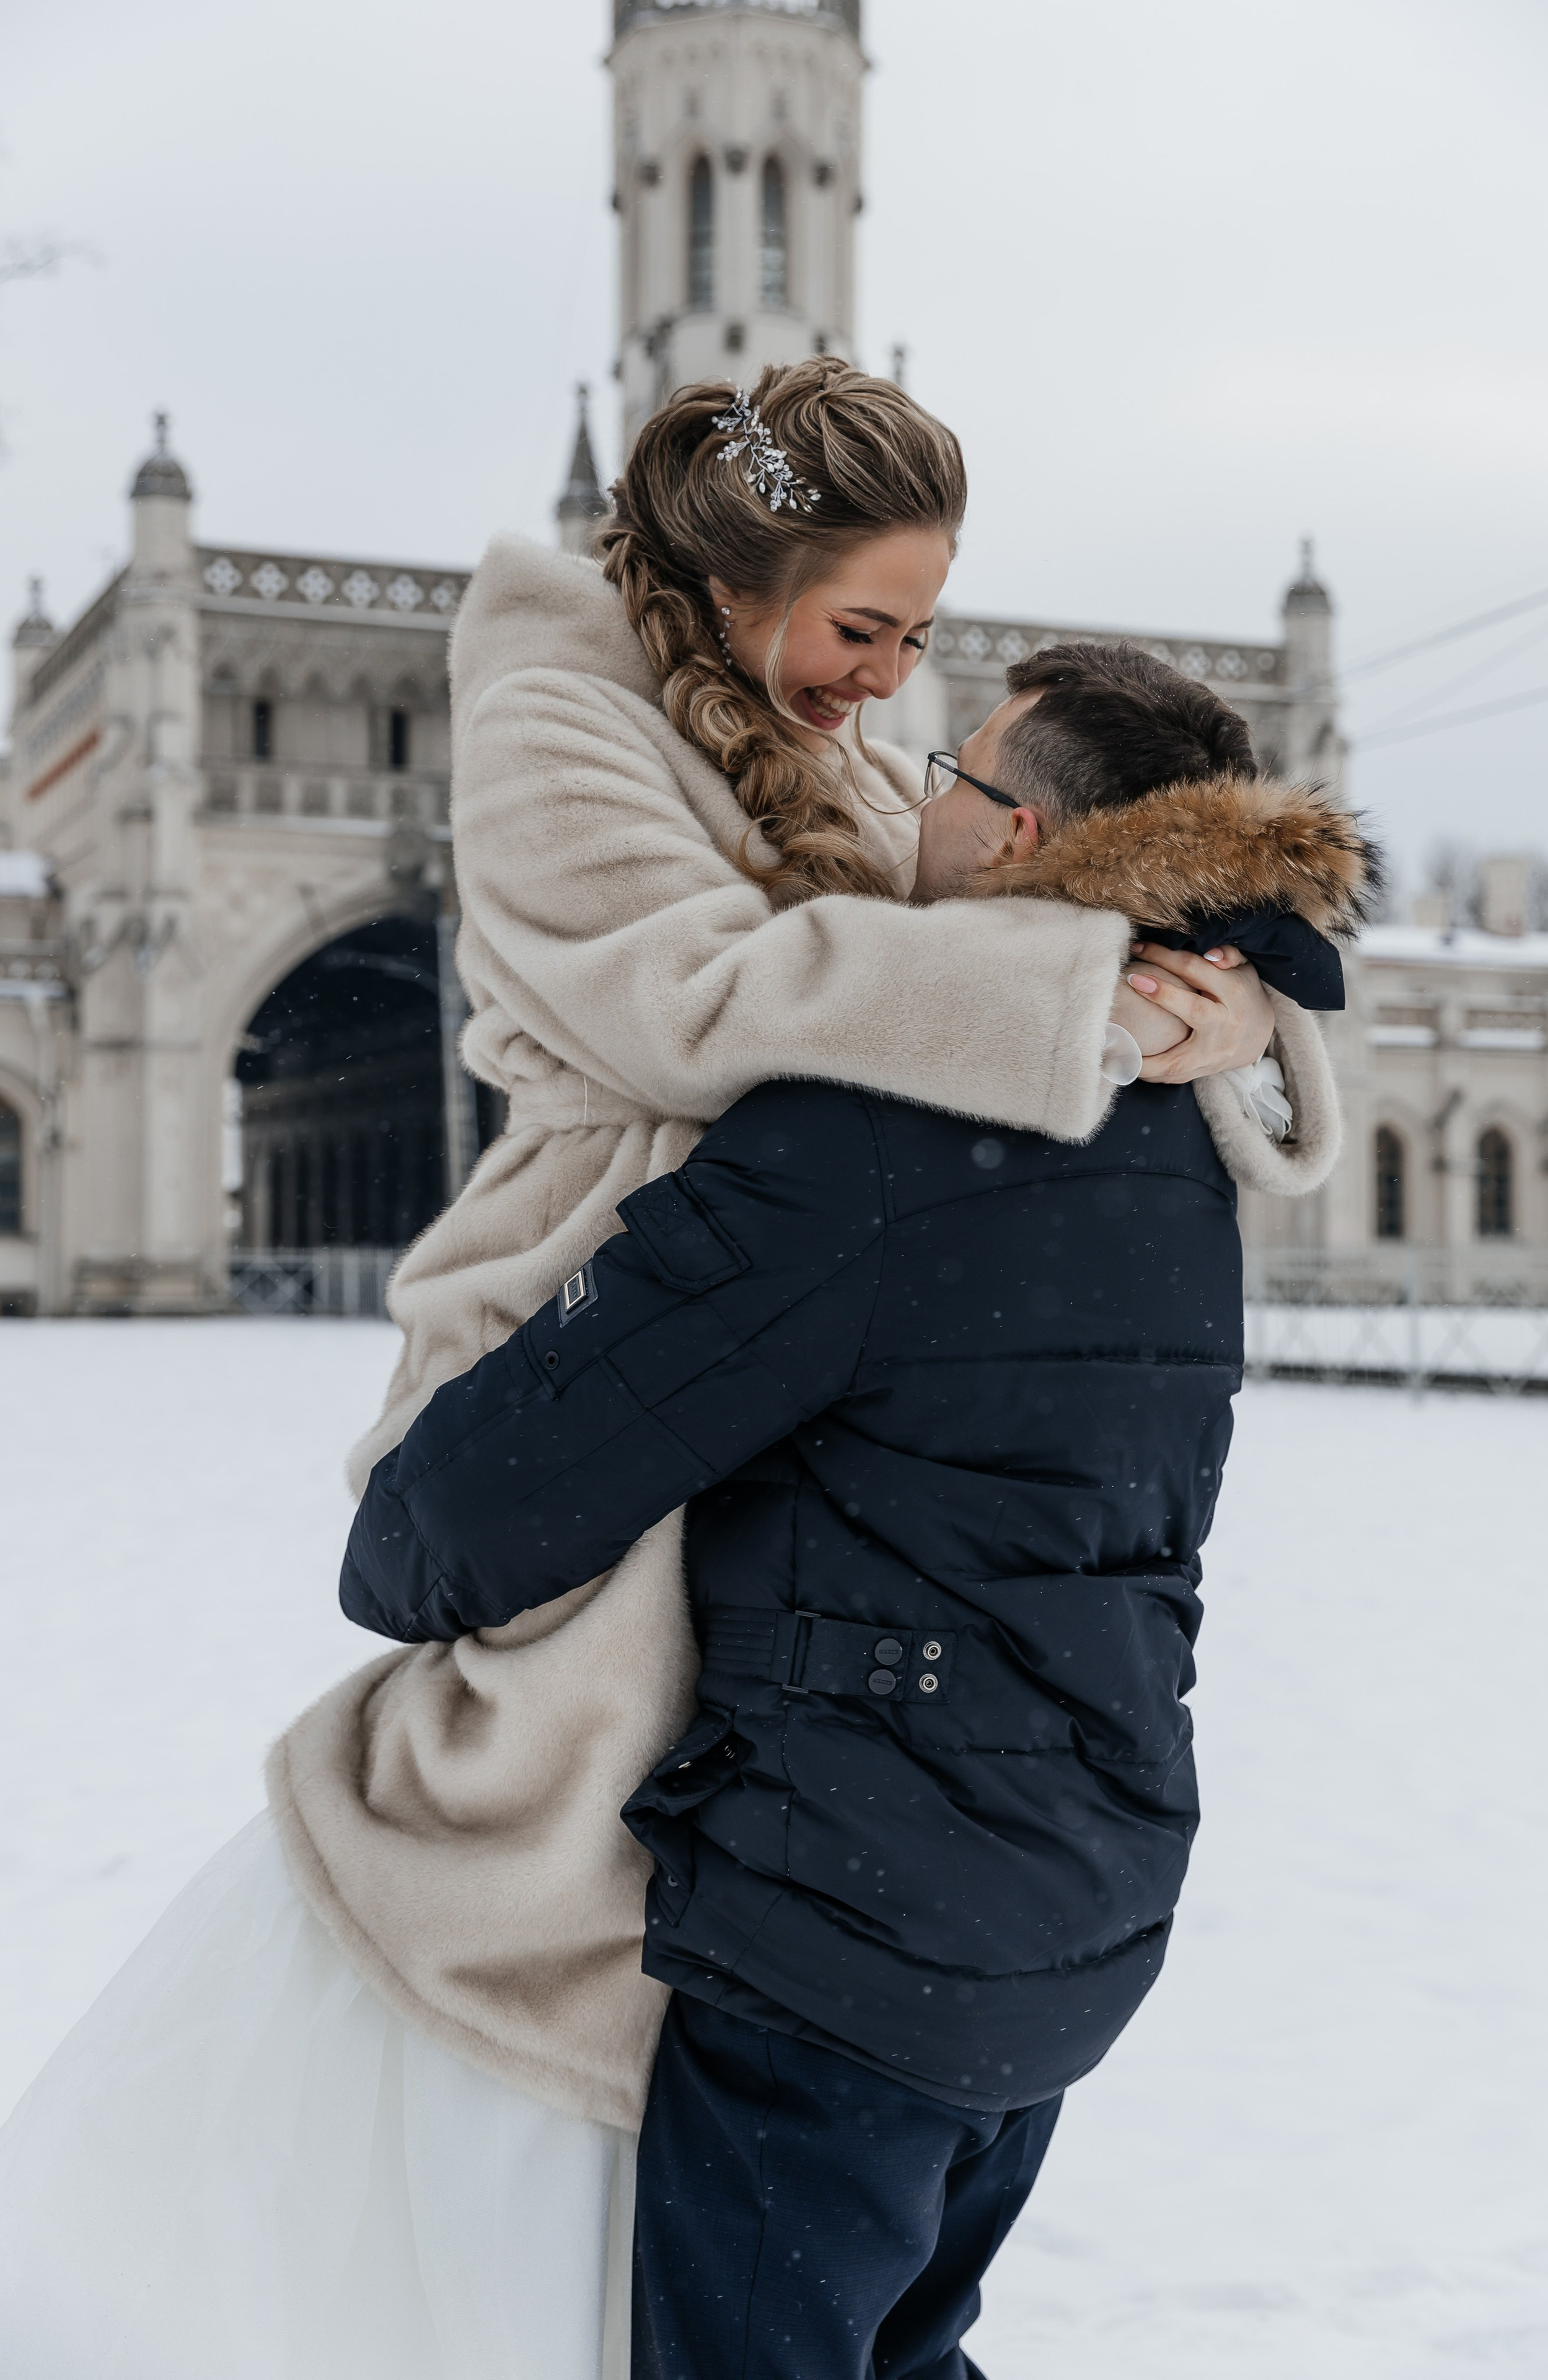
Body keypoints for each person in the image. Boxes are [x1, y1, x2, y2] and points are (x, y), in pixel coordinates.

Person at [0, 369, 1329, 2379]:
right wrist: (1089, 988)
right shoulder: (552, 717)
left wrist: (1240, 1010)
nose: (883, 692)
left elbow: (988, 932)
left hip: (785, 1390)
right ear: (735, 578)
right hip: (613, 1321)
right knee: (563, 1934)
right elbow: (716, 1001)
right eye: (859, 629)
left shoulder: (861, 772)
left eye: (917, 646)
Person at [339, 639, 1376, 2378]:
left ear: (1021, 832)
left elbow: (525, 1470)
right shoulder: (1187, 1123)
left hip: (851, 1940)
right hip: (1073, 1908)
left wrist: (399, 1543)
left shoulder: (880, 1133)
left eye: (956, 768)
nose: (914, 779)